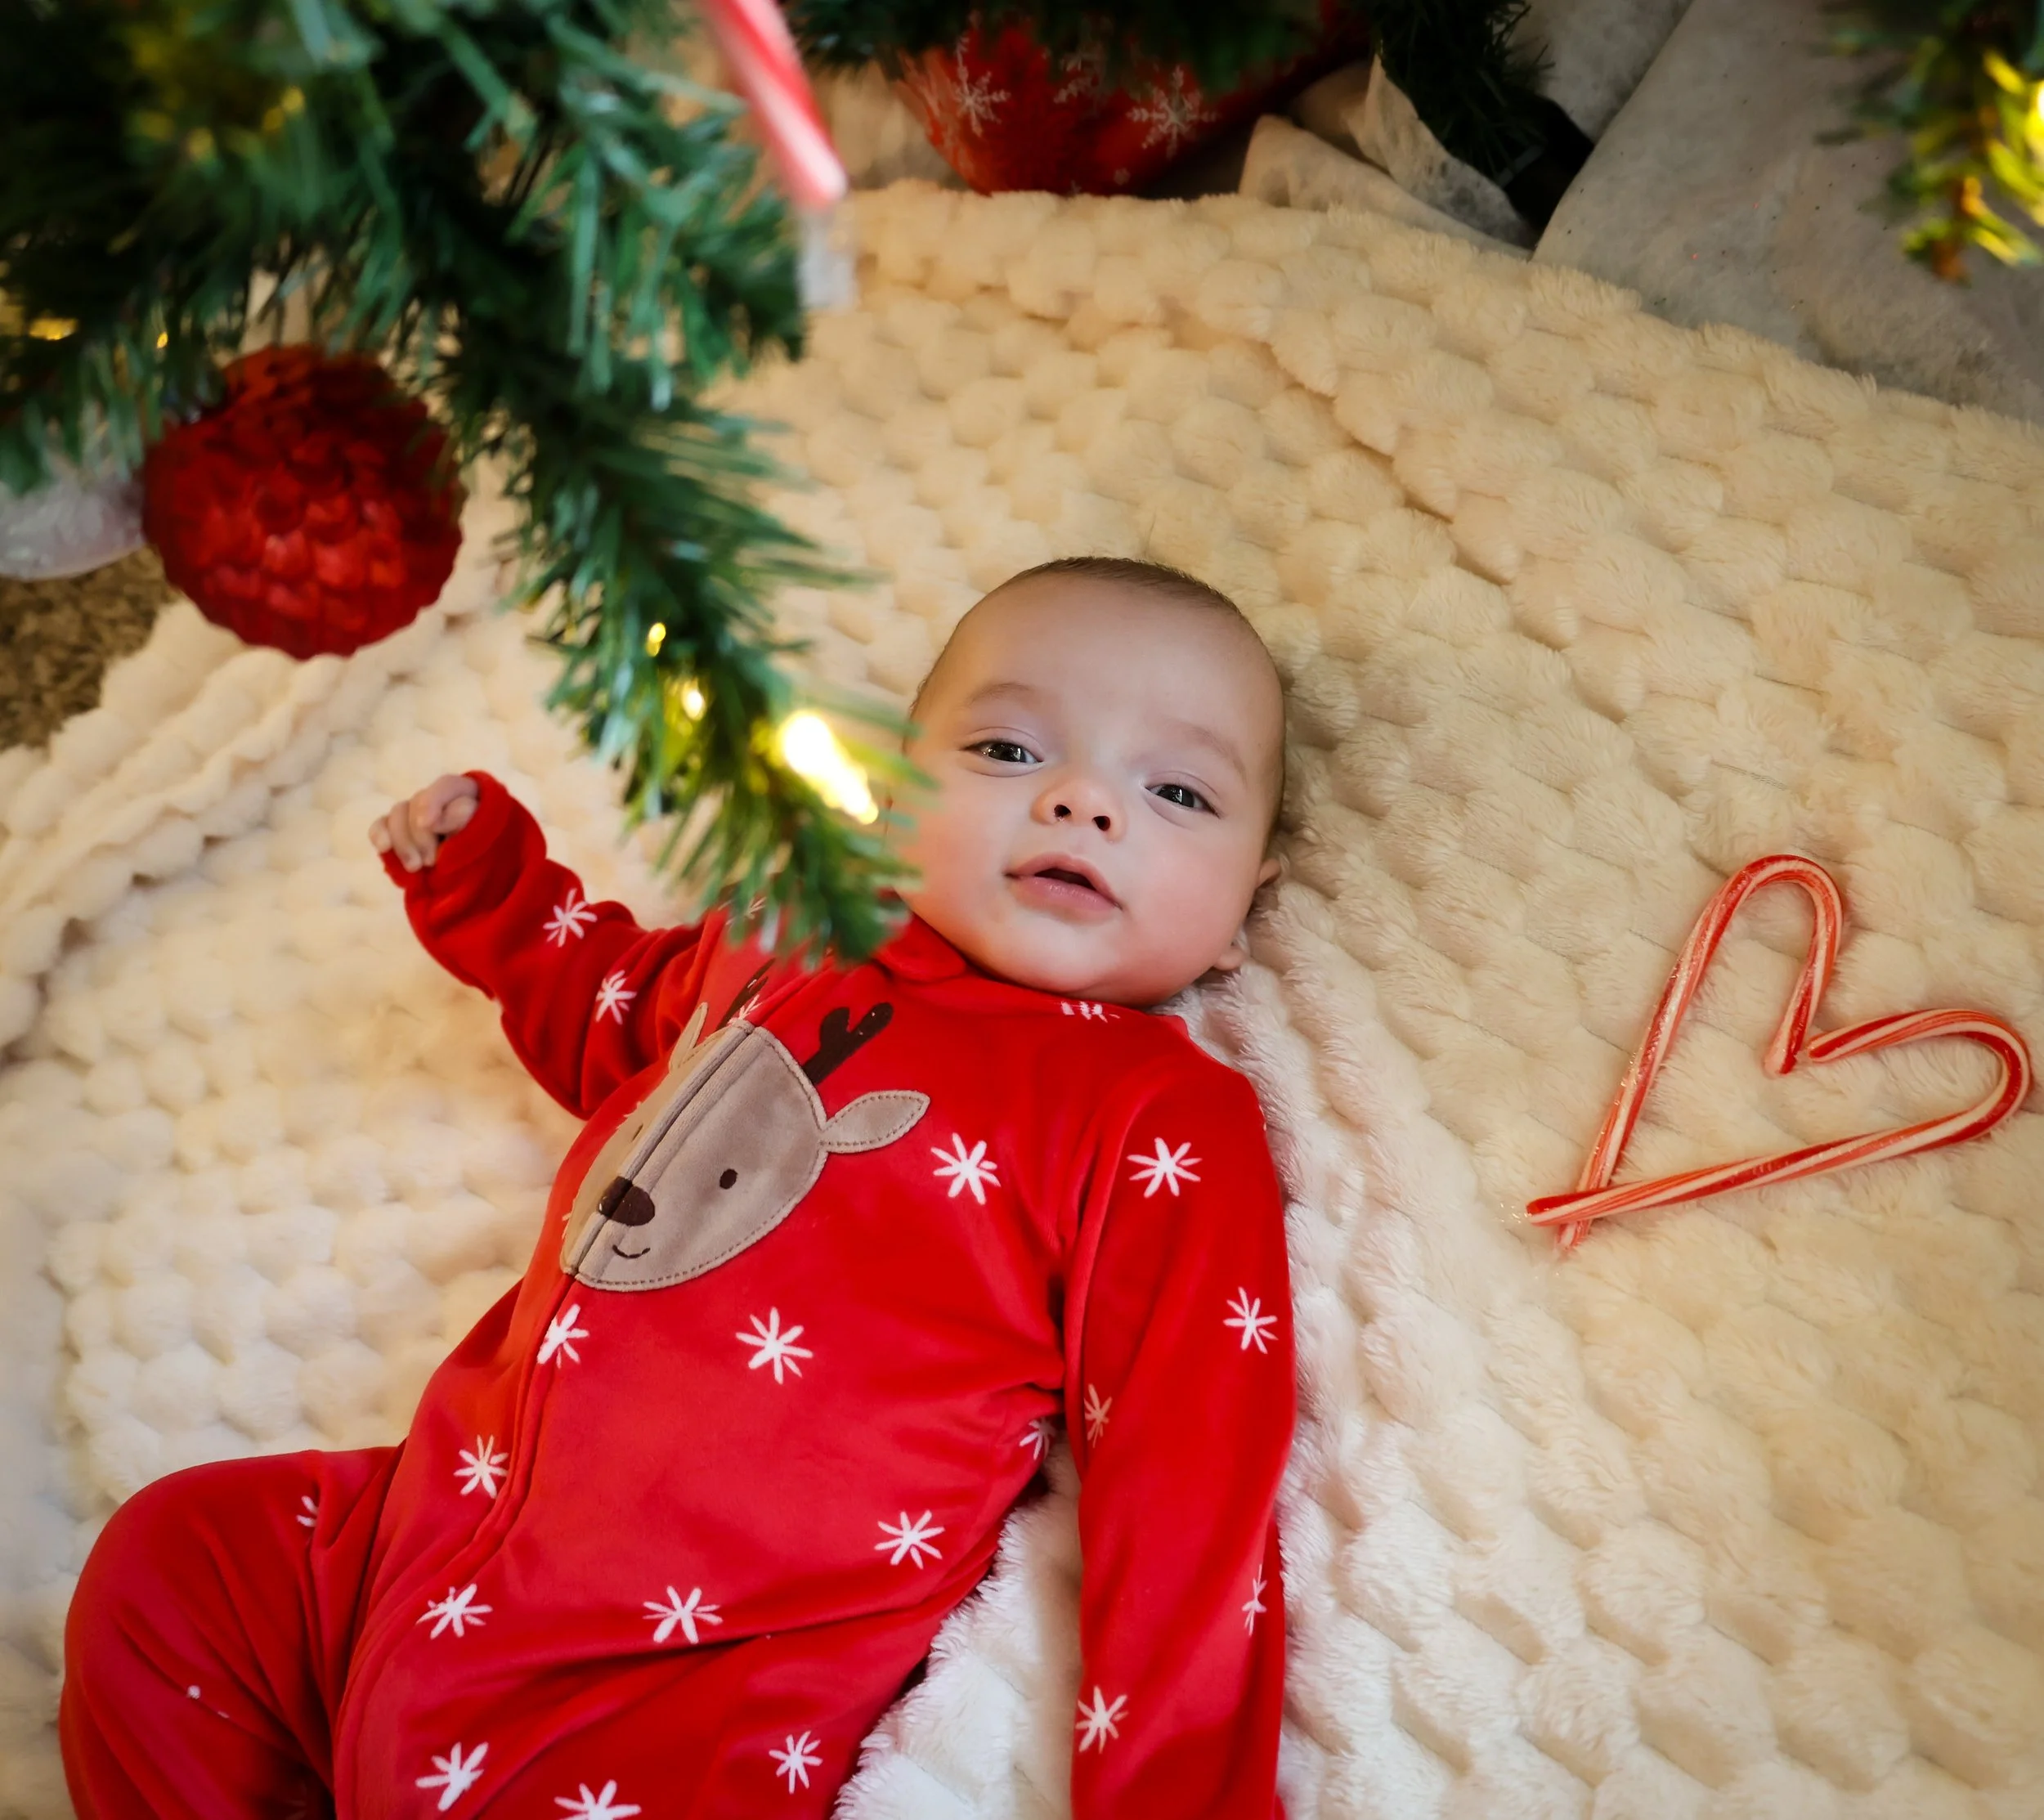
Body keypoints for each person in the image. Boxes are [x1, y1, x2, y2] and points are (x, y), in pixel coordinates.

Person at [61, 557, 1297, 1818]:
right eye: (1008, 749)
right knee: (174, 1565)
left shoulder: (1157, 1116)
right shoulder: (792, 932)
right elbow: (618, 1017)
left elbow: (1188, 1503)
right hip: (414, 1544)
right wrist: (495, 891)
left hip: (673, 1686)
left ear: (1243, 914)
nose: (1086, 802)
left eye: (1180, 790)